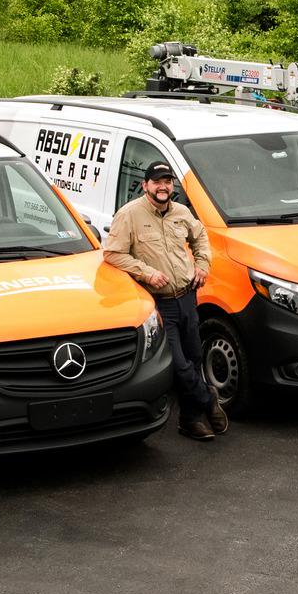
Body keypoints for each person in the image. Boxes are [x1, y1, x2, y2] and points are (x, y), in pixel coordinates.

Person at [104, 161, 226, 441]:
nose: (163, 186)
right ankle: (208, 399)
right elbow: (112, 253)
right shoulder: (129, 215)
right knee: (178, 364)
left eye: (167, 181)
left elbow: (201, 238)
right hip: (160, 304)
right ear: (145, 185)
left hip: (187, 297)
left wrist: (203, 265)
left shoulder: (182, 212)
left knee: (194, 359)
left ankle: (191, 420)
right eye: (157, 181)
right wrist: (146, 273)